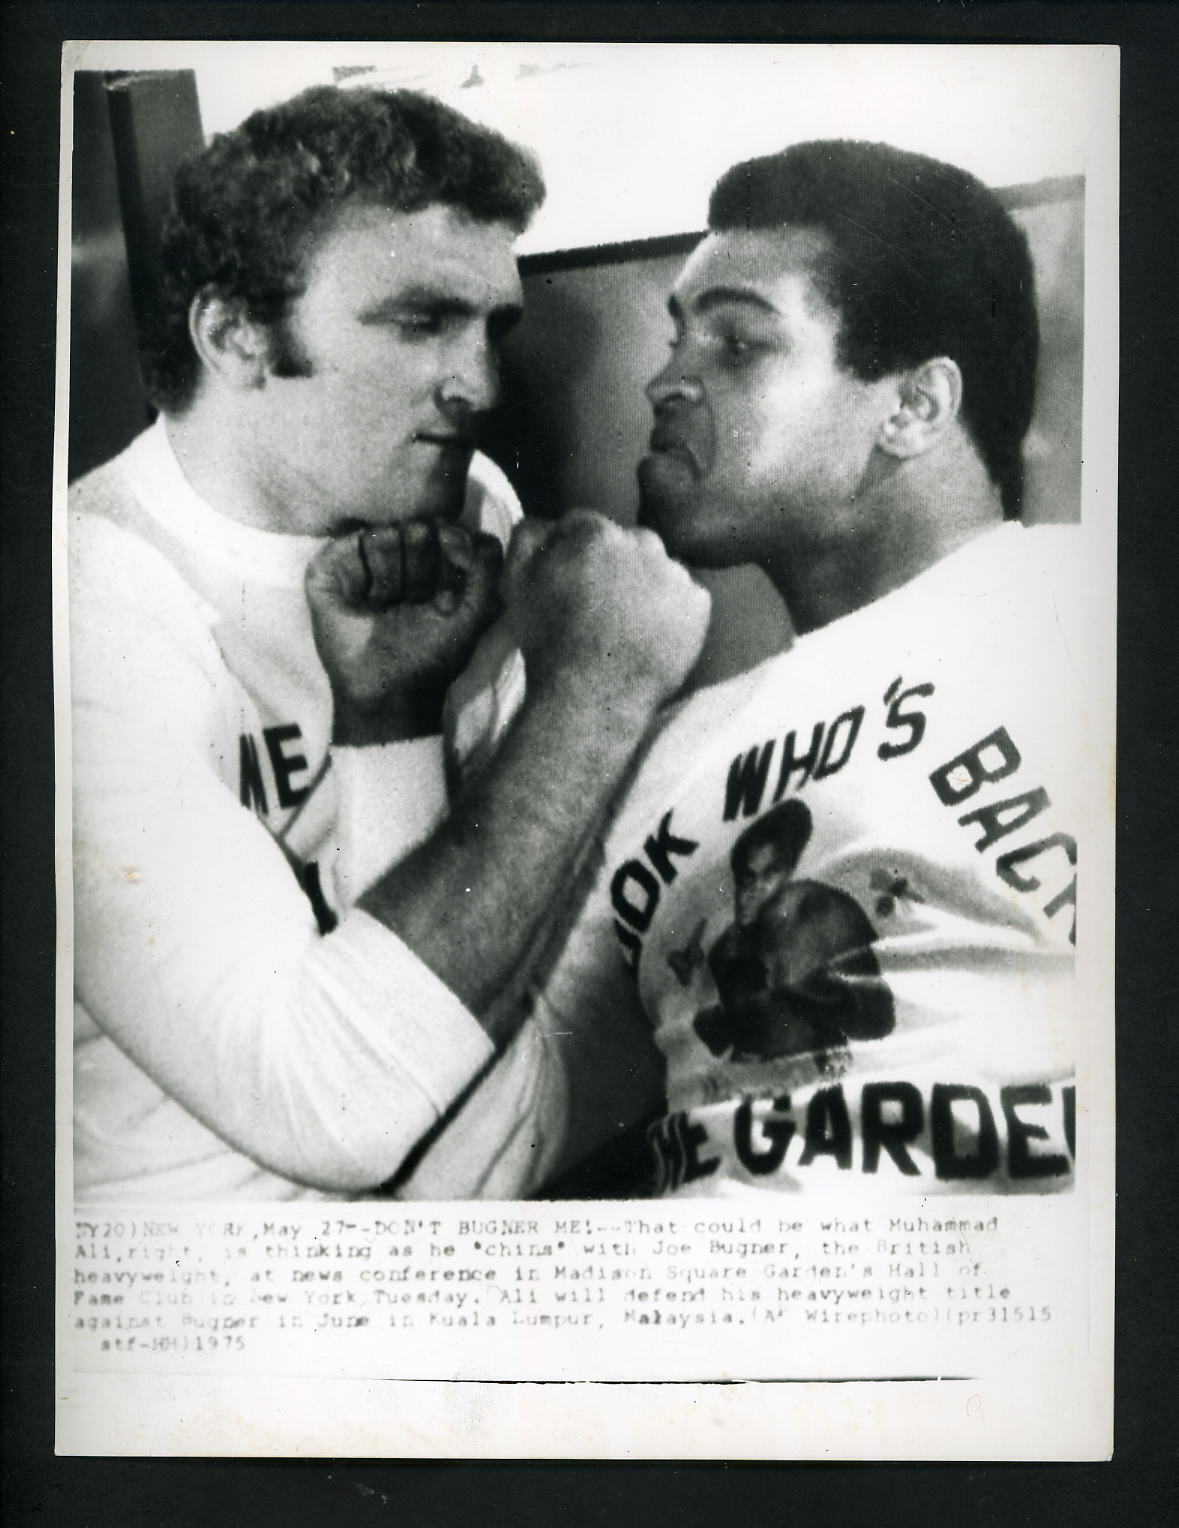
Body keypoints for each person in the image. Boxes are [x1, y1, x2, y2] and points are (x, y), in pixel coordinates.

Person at [69, 85, 710, 1201]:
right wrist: (596, 689)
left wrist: (391, 725)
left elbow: (444, 963)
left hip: (438, 1234)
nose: (480, 384)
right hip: (196, 1291)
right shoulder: (84, 609)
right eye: (420, 322)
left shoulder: (468, 509)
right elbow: (337, 1105)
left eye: (491, 326)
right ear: (235, 336)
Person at [483, 138, 1084, 1199]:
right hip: (681, 1326)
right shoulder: (670, 743)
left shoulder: (1085, 613)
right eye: (678, 336)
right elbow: (474, 1156)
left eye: (738, 344)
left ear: (913, 407)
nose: (668, 380)